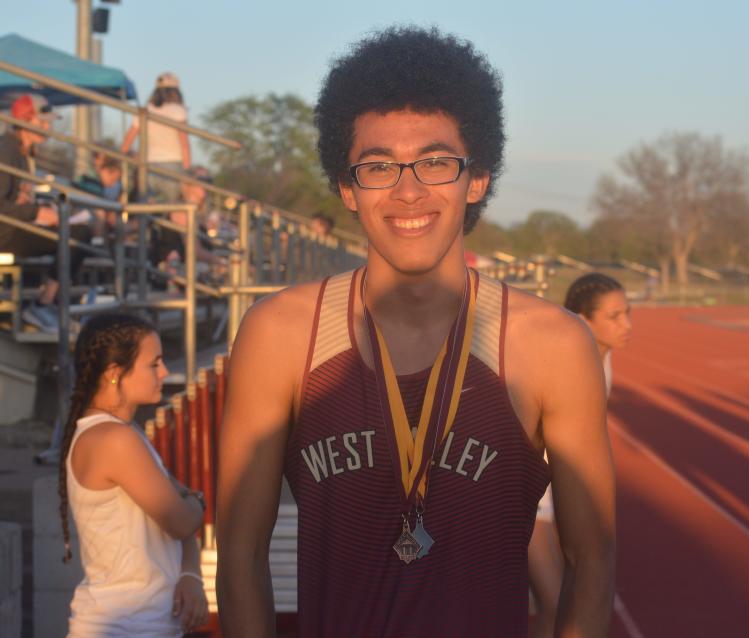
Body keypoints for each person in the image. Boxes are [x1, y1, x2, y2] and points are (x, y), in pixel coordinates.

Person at [216, 26, 615, 637]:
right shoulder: (279, 334)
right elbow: (241, 555)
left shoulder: (553, 345)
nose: (408, 191)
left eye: (434, 162)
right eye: (379, 166)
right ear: (347, 187)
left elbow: (590, 562)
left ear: (475, 179)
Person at [59, 313, 209, 636]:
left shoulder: (128, 433)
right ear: (115, 374)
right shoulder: (113, 440)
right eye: (154, 364)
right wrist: (198, 500)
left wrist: (190, 573)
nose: (165, 372)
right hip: (120, 628)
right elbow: (182, 518)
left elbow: (183, 511)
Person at [528, 272, 632, 636]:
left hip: (559, 494)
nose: (627, 325)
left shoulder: (603, 360)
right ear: (584, 320)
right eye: (615, 316)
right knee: (554, 602)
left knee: (564, 600)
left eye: (627, 313)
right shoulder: (564, 360)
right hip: (531, 497)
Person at [0, 94, 89, 332]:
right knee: (77, 236)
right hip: (6, 232)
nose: (49, 127)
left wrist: (41, 211)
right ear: (25, 120)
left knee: (80, 235)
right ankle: (42, 305)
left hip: (17, 226)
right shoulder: (6, 150)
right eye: (43, 122)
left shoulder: (24, 151)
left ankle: (51, 303)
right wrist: (36, 211)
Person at [121, 72, 191, 203]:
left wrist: (135, 157)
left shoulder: (144, 111)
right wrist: (187, 173)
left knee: (148, 210)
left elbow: (125, 145)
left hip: (148, 166)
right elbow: (184, 145)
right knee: (172, 208)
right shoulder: (178, 110)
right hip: (173, 165)